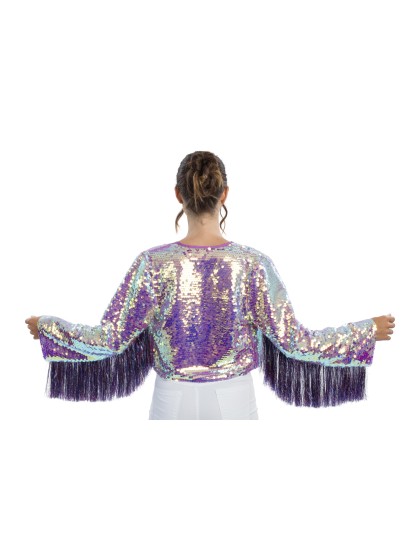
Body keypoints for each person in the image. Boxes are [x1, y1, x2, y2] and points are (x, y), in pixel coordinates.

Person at [25, 150, 396, 420]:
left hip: (171, 401)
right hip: (234, 400)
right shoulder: (252, 265)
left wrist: (49, 328)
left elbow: (109, 338)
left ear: (178, 195)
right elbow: (295, 342)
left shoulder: (152, 265)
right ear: (224, 194)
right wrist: (363, 333)